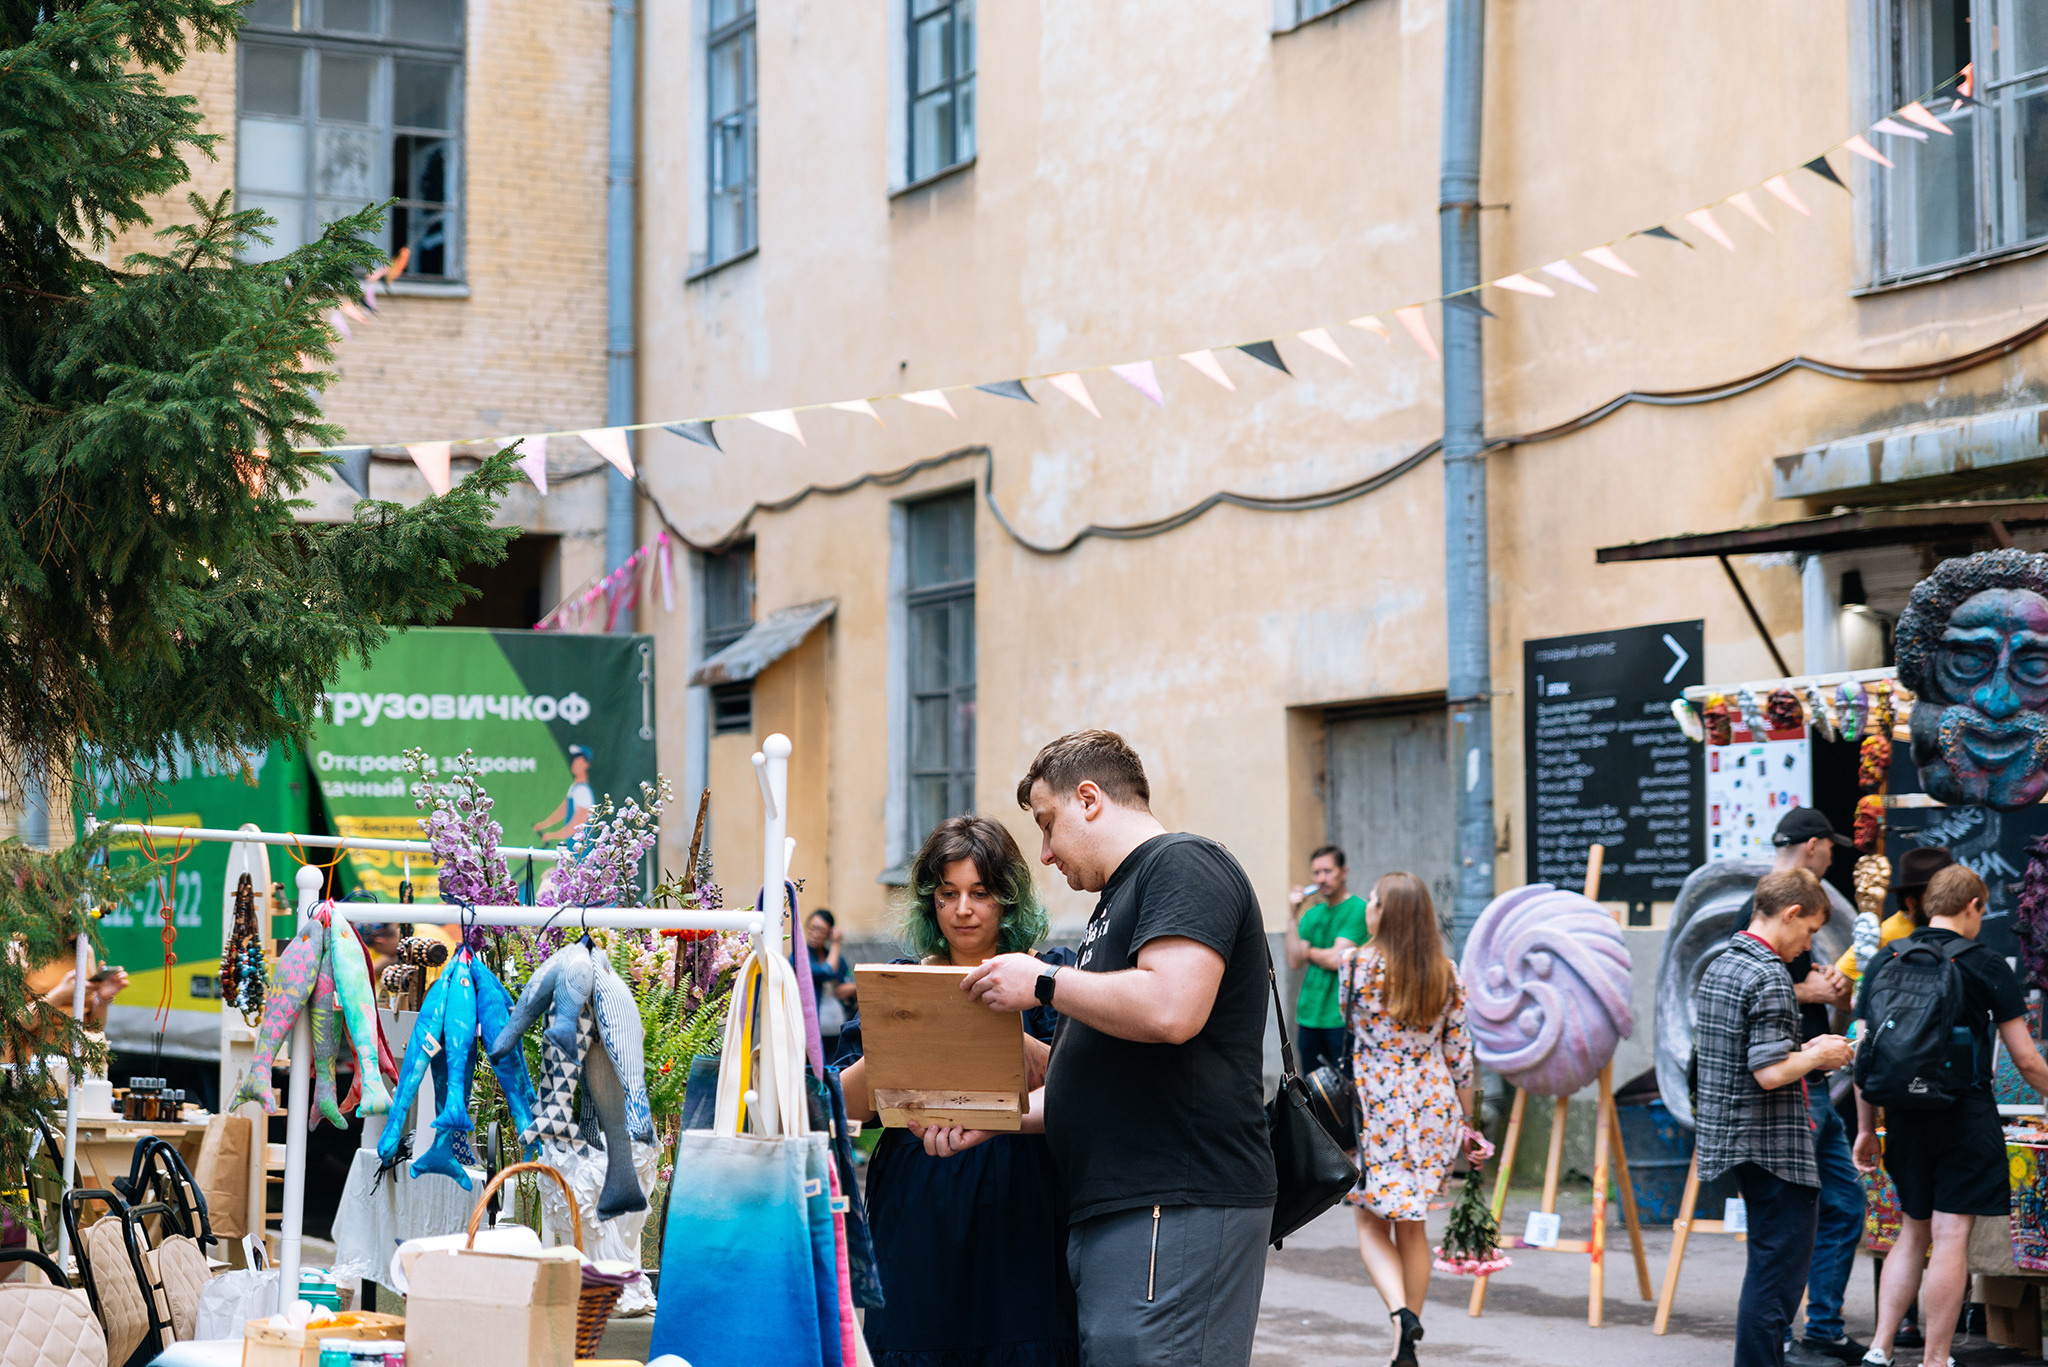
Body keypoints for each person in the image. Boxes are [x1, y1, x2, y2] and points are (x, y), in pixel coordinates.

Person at [935, 729, 1274, 1367]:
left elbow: (1171, 1008)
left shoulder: (1183, 863)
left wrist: (1042, 981)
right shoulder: (1119, 897)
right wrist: (994, 1119)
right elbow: (1097, 1081)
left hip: (1172, 1204)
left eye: (1047, 824)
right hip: (1135, 1212)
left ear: (1089, 799)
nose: (1044, 853)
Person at [834, 815, 1078, 1367]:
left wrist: (1001, 1036)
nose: (962, 909)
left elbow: (1085, 1083)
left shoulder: (1049, 978)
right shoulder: (899, 981)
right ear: (931, 902)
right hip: (920, 1202)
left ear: (1008, 900)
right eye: (948, 894)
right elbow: (842, 1106)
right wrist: (905, 1035)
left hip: (1023, 1203)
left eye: (980, 893)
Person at [1852, 864, 2048, 1367]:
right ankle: (1935, 1359)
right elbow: (2026, 1060)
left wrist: (1865, 1128)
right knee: (1951, 1235)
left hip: (1903, 1115)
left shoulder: (1885, 959)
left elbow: (1863, 1054)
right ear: (1973, 906)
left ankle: (1879, 1348)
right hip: (1964, 1114)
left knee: (1910, 1230)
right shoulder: (1985, 964)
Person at [1693, 868, 1857, 1367]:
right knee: (1774, 1286)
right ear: (1790, 914)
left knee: (1766, 1274)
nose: (1807, 945)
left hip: (1737, 1142)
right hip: (1774, 1148)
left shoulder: (1722, 965)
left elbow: (1748, 1057)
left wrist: (1805, 1050)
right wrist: (1820, 1055)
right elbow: (1767, 1073)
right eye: (1808, 931)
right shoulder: (1769, 975)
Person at [1338, 871, 1474, 1367]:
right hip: (1433, 1107)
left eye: (1373, 900)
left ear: (1386, 913)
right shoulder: (1446, 973)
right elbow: (1460, 1057)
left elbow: (1348, 1024)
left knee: (1370, 1221)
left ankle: (1400, 1314)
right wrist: (1470, 1124)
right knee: (1412, 1225)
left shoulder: (1354, 966)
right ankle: (1406, 1344)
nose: (1367, 907)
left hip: (1376, 1108)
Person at [1747, 808, 1866, 1366]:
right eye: (1811, 934)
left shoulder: (1793, 918)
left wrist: (1834, 992)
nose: (1808, 944)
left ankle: (1821, 1328)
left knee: (1842, 1204)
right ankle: (1780, 1339)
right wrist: (1813, 997)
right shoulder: (1764, 918)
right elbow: (1757, 1001)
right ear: (1814, 845)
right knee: (1785, 1228)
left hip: (1811, 1083)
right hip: (1789, 1091)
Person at [1284, 844, 1369, 1073]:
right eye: (1316, 873)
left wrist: (1308, 952)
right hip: (1309, 1014)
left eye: (1328, 871)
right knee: (1313, 1088)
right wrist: (1292, 914)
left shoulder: (1359, 909)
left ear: (1343, 871)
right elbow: (1294, 960)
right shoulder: (1312, 914)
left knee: (1344, 1088)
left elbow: (1336, 959)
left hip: (1341, 1018)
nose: (1322, 878)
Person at [1834, 846, 1953, 987]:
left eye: (1950, 893)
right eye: (1935, 896)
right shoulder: (1886, 934)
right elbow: (1837, 983)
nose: (1946, 902)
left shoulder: (1958, 922)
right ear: (1911, 902)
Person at [803, 907, 855, 1056]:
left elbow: (847, 985)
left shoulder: (837, 958)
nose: (815, 934)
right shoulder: (800, 957)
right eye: (812, 928)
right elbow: (826, 972)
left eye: (821, 930)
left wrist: (853, 989)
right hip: (811, 1032)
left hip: (838, 1030)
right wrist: (836, 943)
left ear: (829, 934)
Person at [533, 743, 596, 847]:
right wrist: (543, 825)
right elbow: (563, 810)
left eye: (579, 760)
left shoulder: (583, 790)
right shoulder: (574, 788)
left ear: (586, 764)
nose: (575, 763)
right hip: (572, 846)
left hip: (582, 850)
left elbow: (579, 823)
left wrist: (553, 835)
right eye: (574, 760)